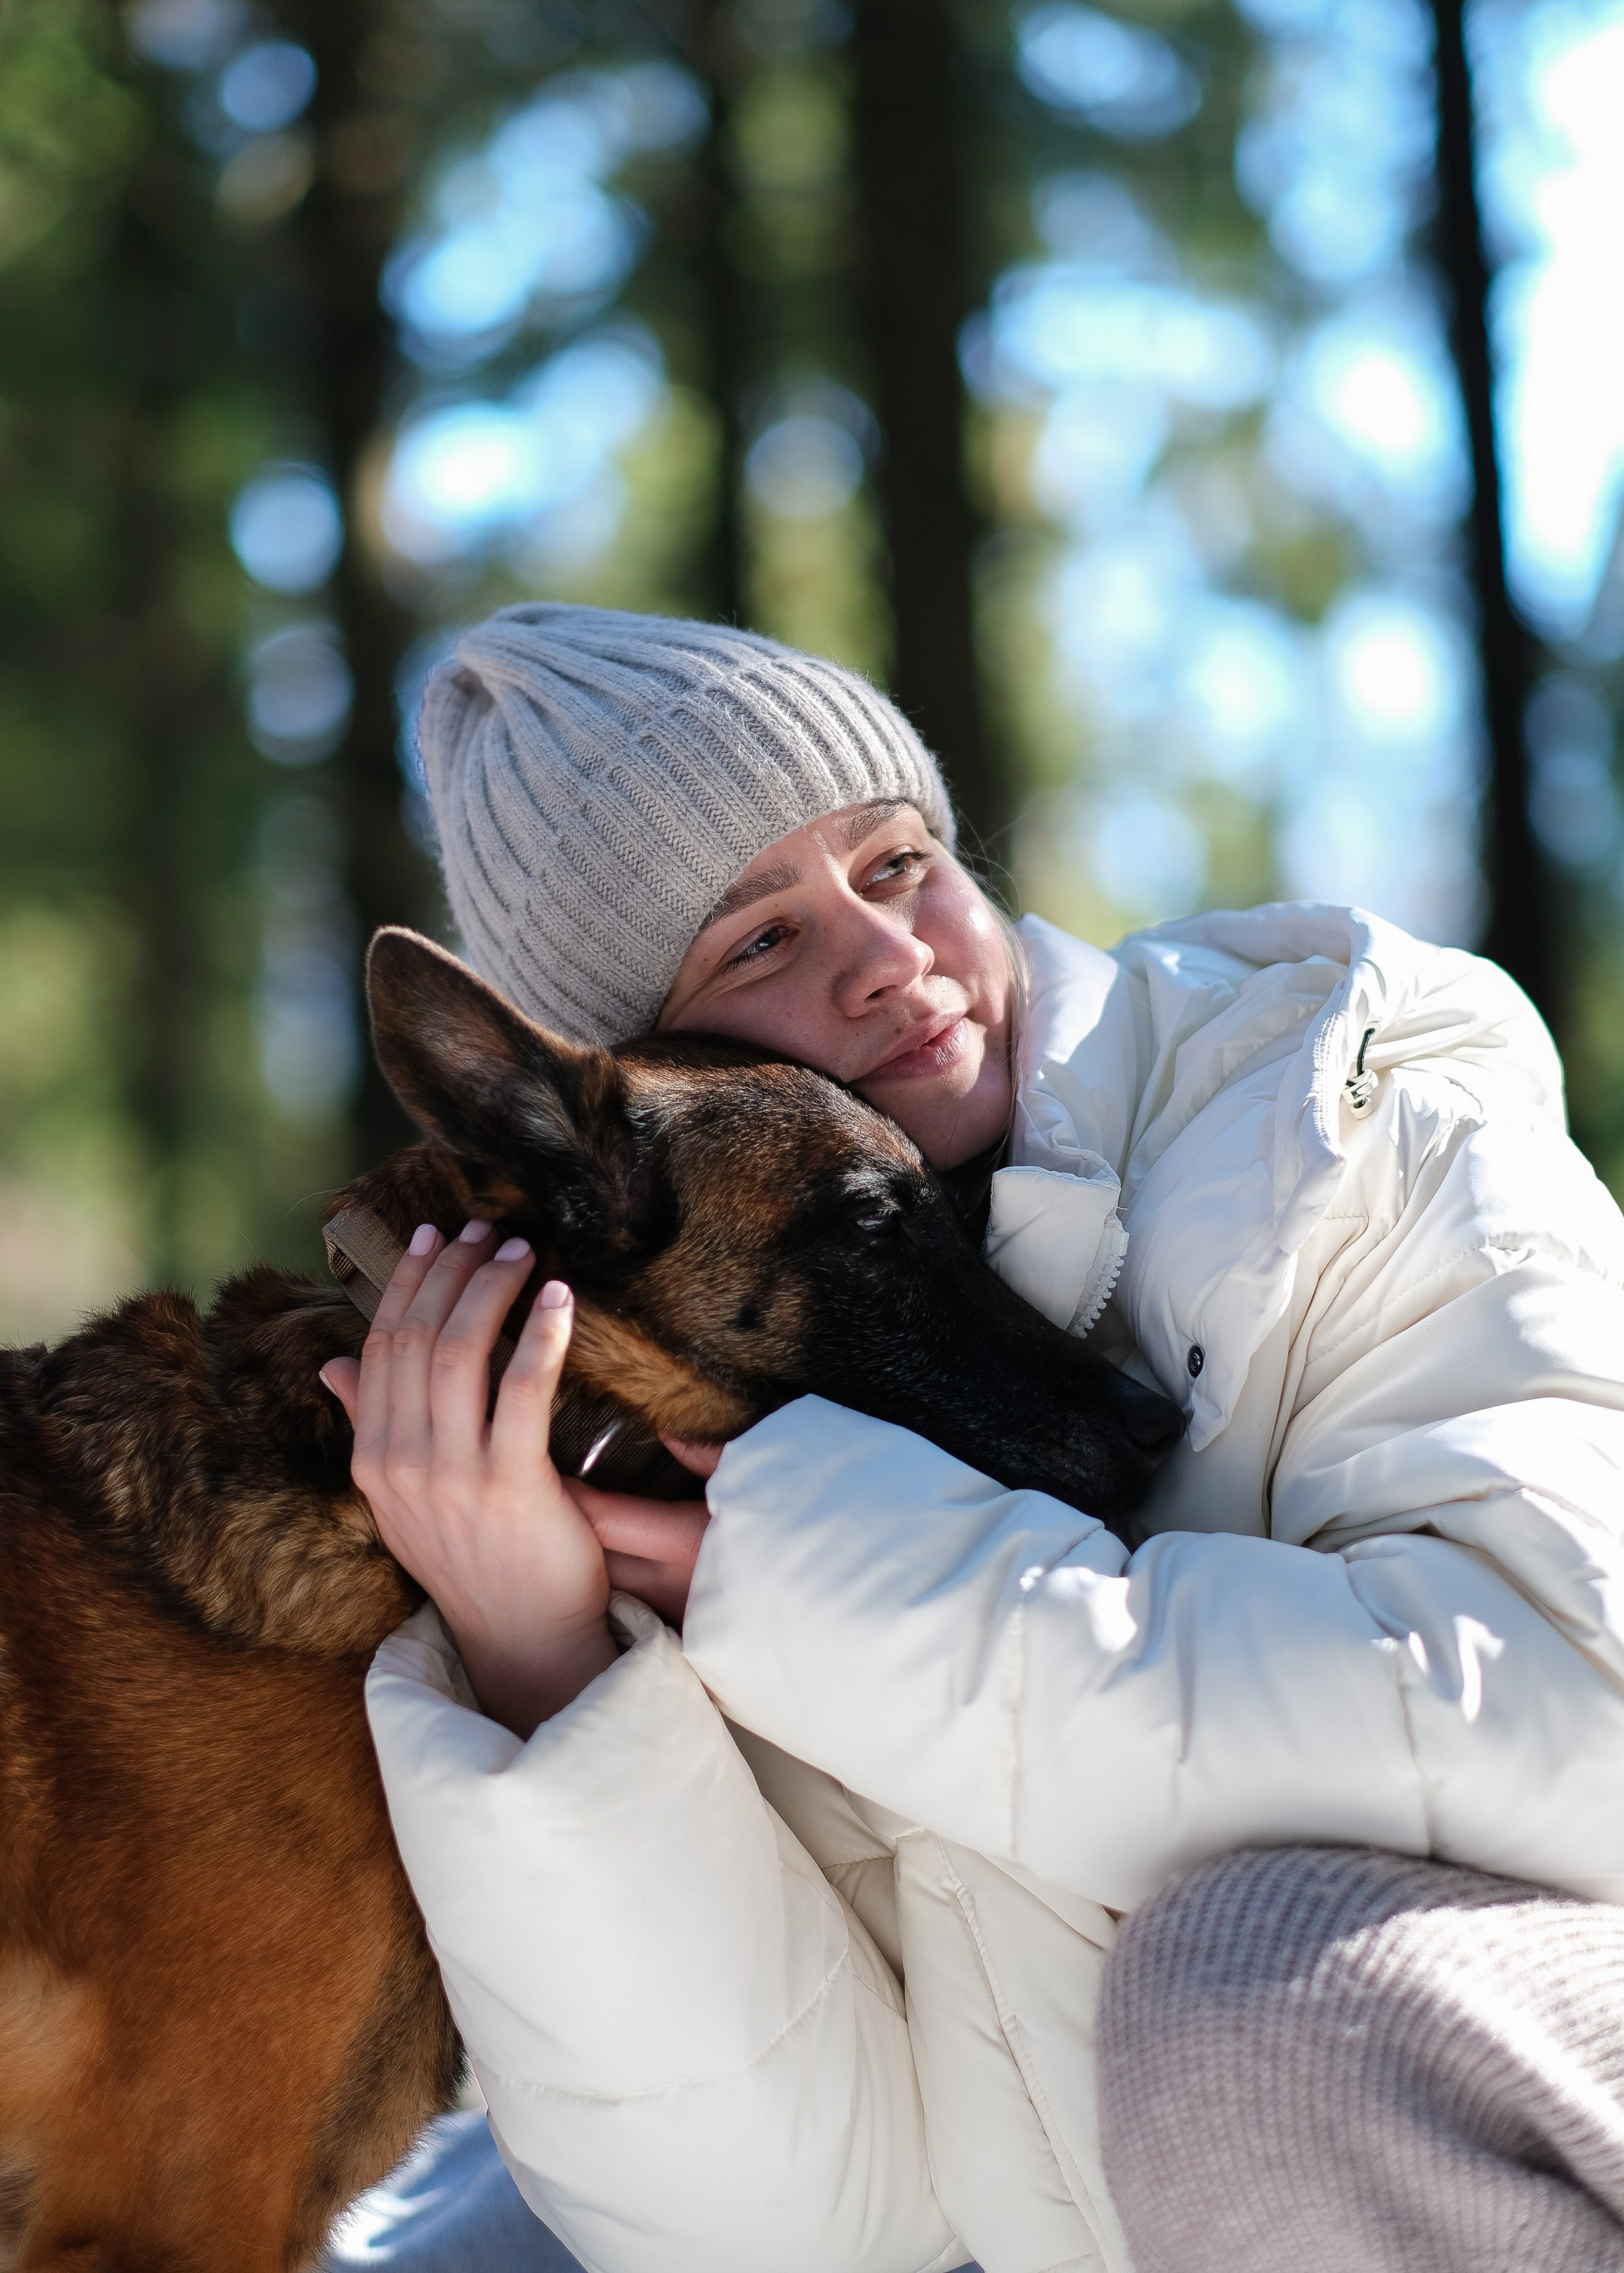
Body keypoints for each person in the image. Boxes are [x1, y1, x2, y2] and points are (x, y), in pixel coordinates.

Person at [318, 603, 1624, 2273]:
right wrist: (544, 1663)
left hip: (1532, 2060)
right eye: (756, 945)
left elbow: (1573, 1714)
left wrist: (838, 1582)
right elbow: (800, 2228)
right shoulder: (701, 1399)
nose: (886, 956)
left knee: (1262, 2005)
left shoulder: (1348, 1122)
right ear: (644, 1077)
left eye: (893, 861)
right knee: (462, 2240)